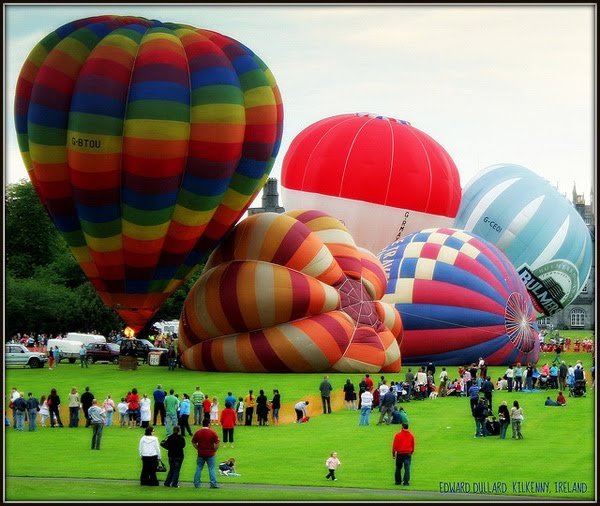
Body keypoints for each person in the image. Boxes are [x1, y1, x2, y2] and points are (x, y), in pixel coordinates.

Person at [191, 418, 220, 489]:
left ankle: (196, 484)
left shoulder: (198, 432)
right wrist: (214, 450)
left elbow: (193, 442)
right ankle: (213, 484)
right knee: (211, 469)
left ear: (202, 424)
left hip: (201, 454)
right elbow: (217, 442)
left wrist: (198, 448)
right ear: (209, 424)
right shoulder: (212, 432)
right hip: (210, 454)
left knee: (199, 468)